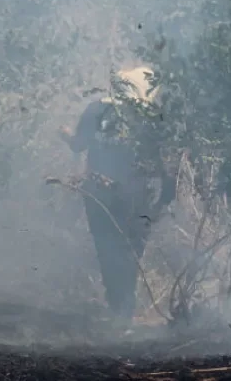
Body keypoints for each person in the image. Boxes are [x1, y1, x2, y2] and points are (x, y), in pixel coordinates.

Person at [59, 66, 175, 325]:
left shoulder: (96, 109)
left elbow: (79, 144)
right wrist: (165, 192)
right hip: (137, 196)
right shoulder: (149, 116)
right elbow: (160, 160)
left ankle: (119, 311)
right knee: (131, 250)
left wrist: (64, 133)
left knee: (107, 250)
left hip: (99, 193)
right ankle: (124, 310)